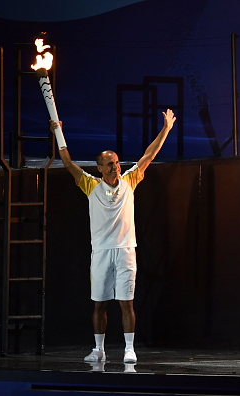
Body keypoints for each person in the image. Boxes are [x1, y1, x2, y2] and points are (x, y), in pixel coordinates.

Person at [49, 109, 176, 364]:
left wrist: (166, 130)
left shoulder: (130, 181)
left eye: (117, 162)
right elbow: (67, 161)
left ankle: (129, 348)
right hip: (101, 253)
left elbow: (148, 155)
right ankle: (99, 350)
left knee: (126, 303)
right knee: (99, 304)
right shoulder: (90, 185)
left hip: (126, 250)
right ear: (100, 168)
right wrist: (57, 131)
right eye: (110, 164)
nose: (116, 167)